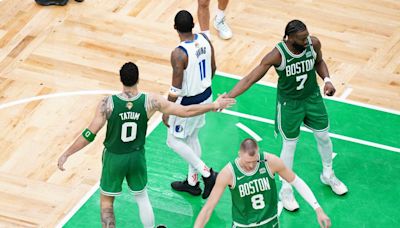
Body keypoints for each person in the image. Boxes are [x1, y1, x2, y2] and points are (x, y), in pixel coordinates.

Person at [57, 62, 235, 228]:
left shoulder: (107, 104)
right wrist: (214, 105)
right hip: (136, 157)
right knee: (142, 197)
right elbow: (186, 111)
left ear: (121, 79)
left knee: (107, 204)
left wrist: (67, 153)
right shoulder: (151, 101)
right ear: (138, 79)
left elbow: (89, 134)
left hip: (114, 158)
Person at [225, 20, 348, 211]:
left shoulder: (313, 44)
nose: (307, 40)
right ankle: (286, 189)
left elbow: (319, 62)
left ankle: (328, 174)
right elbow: (250, 78)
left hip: (312, 98)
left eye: (307, 36)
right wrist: (228, 96)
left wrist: (328, 80)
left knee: (323, 136)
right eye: (302, 38)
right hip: (290, 105)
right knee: (290, 145)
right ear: (289, 38)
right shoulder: (277, 55)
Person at [194, 138, 331, 228]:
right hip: (244, 225)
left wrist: (318, 209)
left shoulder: (270, 162)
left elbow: (296, 181)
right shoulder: (228, 173)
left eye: (255, 160)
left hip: (270, 223)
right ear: (239, 154)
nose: (252, 165)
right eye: (248, 162)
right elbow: (208, 208)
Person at [162, 10, 218, 199]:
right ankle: (192, 183)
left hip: (188, 104)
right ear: (193, 24)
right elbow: (214, 68)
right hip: (207, 96)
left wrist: (166, 109)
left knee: (173, 141)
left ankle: (207, 174)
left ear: (175, 28)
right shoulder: (204, 39)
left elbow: (175, 88)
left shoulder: (179, 53)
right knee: (192, 137)